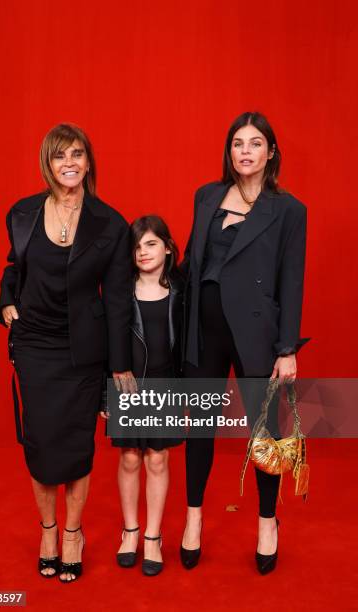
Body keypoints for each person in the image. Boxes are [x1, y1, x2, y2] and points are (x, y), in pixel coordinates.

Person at [0, 123, 135, 582]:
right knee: (40, 446)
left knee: (77, 448)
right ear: (48, 164)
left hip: (82, 353)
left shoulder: (111, 224)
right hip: (35, 345)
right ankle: (49, 530)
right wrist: (6, 302)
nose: (69, 162)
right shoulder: (22, 214)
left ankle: (73, 533)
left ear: (88, 161)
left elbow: (117, 299)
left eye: (77, 154)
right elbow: (15, 266)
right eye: (60, 156)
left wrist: (120, 367)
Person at [179, 111, 309, 574]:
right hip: (204, 328)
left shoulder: (289, 210)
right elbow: (192, 263)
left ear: (271, 152)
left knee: (266, 433)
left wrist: (287, 348)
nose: (246, 151)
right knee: (200, 427)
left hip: (257, 332)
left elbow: (291, 280)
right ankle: (193, 518)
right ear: (228, 151)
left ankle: (267, 523)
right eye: (238, 143)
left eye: (256, 143)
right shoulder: (207, 196)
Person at [102, 216, 184, 576]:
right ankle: (130, 530)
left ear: (167, 246)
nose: (143, 252)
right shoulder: (120, 290)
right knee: (131, 458)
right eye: (136, 247)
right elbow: (106, 343)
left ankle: (153, 536)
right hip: (127, 386)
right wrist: (107, 393)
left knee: (158, 459)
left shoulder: (183, 290)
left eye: (151, 244)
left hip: (166, 387)